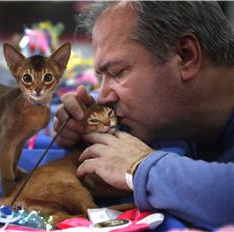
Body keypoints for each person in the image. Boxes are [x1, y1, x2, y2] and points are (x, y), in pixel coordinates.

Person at [54, 1, 234, 229]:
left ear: (185, 55)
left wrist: (141, 168)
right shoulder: (181, 118)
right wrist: (81, 130)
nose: (102, 97)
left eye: (117, 72)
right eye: (101, 77)